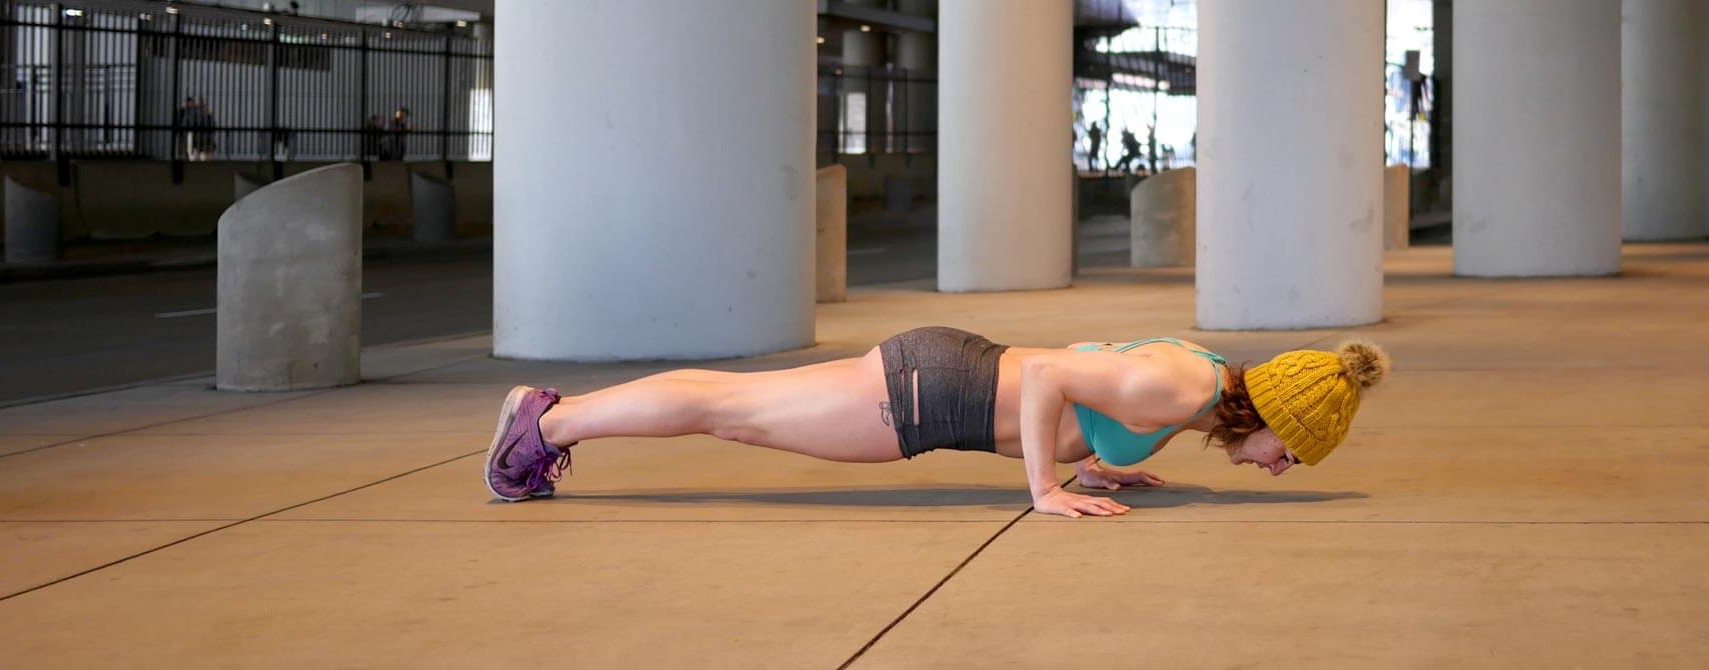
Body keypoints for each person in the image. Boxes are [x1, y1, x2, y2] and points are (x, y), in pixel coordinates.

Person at [483, 326, 1390, 518]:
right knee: (735, 411)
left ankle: (553, 424)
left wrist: (1097, 464)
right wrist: (1043, 489)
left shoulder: (1194, 382)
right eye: (1294, 451)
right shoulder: (1176, 390)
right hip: (936, 395)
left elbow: (1084, 365)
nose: (1282, 465)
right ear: (1268, 413)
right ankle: (545, 426)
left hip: (943, 384)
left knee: (737, 409)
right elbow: (1043, 374)